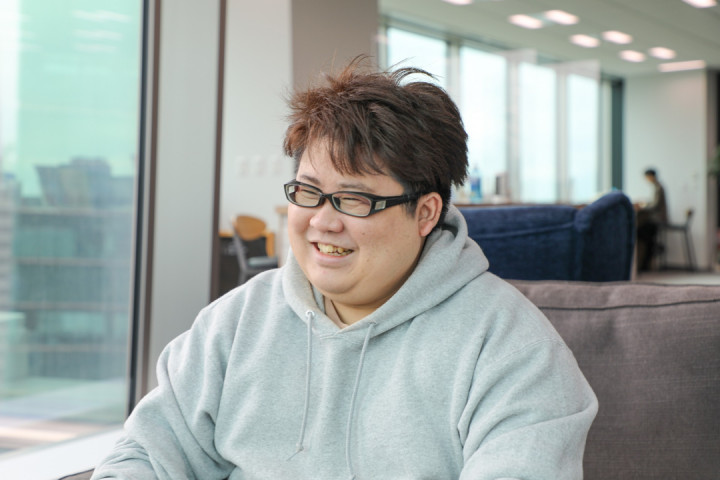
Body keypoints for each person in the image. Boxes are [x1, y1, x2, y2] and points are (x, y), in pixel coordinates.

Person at [92, 57, 597, 479]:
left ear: (425, 213)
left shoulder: (511, 348)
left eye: (354, 200)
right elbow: (144, 456)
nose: (322, 222)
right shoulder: (237, 322)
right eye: (308, 192)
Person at [636, 168, 668, 271]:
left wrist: (643, 207)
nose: (646, 179)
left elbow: (655, 205)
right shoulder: (657, 187)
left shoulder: (659, 187)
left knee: (640, 232)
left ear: (651, 176)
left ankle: (645, 263)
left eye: (647, 177)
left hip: (657, 219)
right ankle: (645, 262)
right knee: (643, 234)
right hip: (655, 219)